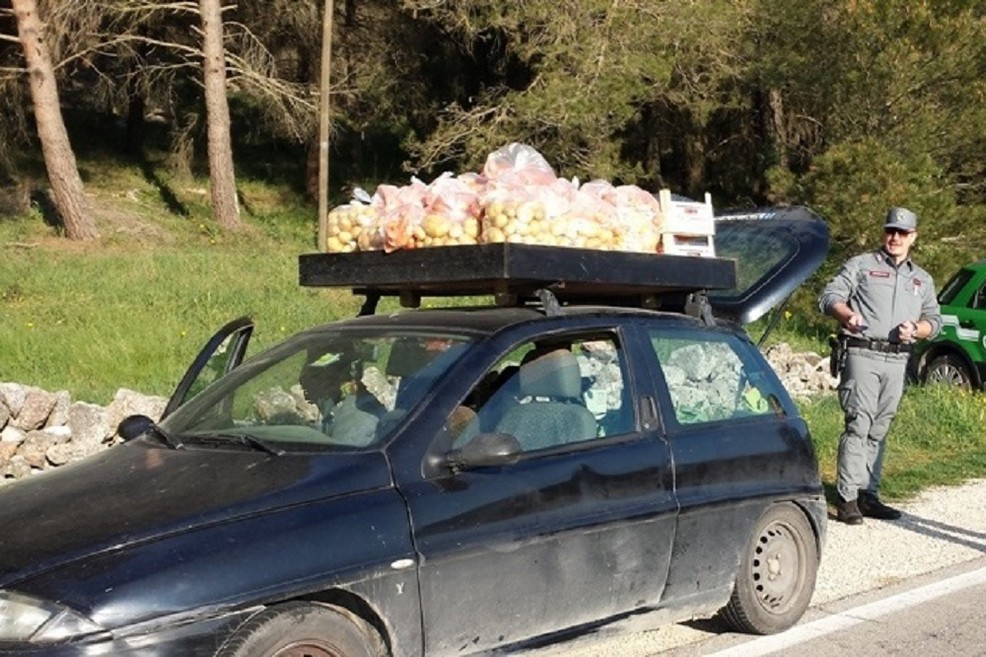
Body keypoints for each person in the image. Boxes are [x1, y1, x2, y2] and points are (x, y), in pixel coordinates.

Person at [818, 207, 941, 525]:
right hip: (863, 355)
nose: (895, 237)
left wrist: (917, 329)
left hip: (898, 359)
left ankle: (867, 495)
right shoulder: (861, 266)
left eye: (902, 233)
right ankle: (847, 498)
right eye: (890, 231)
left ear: (913, 237)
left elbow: (935, 322)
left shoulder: (921, 279)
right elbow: (829, 296)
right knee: (859, 423)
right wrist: (847, 315)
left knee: (879, 428)